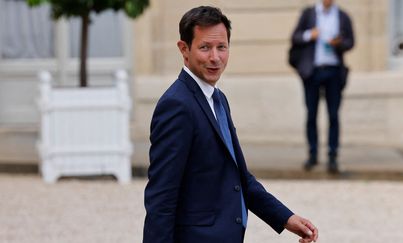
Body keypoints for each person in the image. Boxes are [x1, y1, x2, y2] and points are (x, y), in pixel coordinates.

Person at [143, 6, 318, 243]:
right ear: (184, 49)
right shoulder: (176, 105)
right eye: (205, 47)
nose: (215, 57)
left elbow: (238, 176)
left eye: (221, 47)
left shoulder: (218, 99)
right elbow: (161, 197)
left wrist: (286, 218)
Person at [290, 0, 355, 174]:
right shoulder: (309, 13)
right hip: (313, 71)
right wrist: (309, 35)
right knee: (312, 114)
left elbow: (351, 42)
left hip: (334, 71)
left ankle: (333, 155)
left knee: (333, 115)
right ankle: (312, 154)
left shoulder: (342, 16)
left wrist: (339, 43)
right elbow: (295, 37)